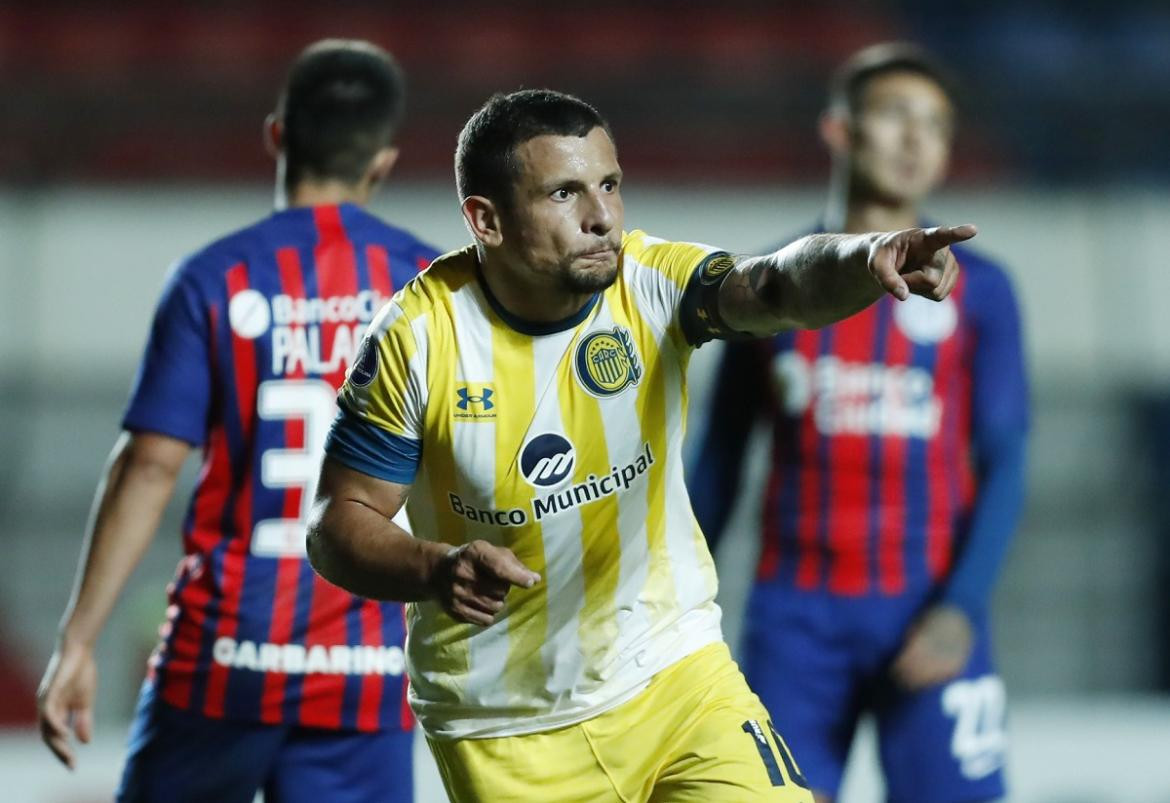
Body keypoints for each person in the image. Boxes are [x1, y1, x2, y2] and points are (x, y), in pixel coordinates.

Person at [305, 87, 975, 803]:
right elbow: (336, 524)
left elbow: (773, 283)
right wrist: (433, 567)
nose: (602, 217)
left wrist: (862, 256)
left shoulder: (650, 281)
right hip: (505, 728)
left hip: (675, 674)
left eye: (610, 185)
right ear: (485, 219)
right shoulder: (419, 336)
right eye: (565, 192)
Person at [35, 39, 439, 803]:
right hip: (366, 666)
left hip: (223, 653)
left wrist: (78, 639)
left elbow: (149, 466)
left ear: (277, 134)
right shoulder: (427, 285)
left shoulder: (214, 277)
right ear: (382, 162)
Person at [688, 43, 1029, 803]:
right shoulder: (765, 285)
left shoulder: (984, 292)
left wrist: (960, 609)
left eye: (935, 125)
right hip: (793, 627)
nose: (916, 141)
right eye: (896, 116)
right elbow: (718, 462)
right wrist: (668, 600)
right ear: (839, 130)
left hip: (927, 612)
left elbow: (1006, 457)